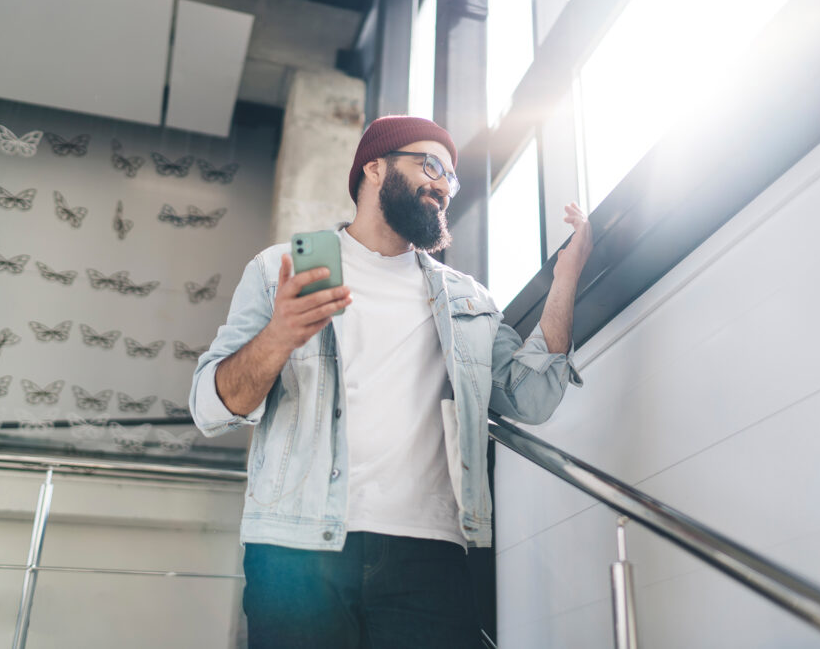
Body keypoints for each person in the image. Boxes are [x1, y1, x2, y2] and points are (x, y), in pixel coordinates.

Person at [190, 115, 593, 648]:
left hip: (428, 551)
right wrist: (279, 335)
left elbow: (532, 397)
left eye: (450, 177)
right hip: (298, 548)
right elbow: (211, 407)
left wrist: (565, 281)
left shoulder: (465, 299)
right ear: (374, 168)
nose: (443, 186)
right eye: (430, 166)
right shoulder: (278, 270)